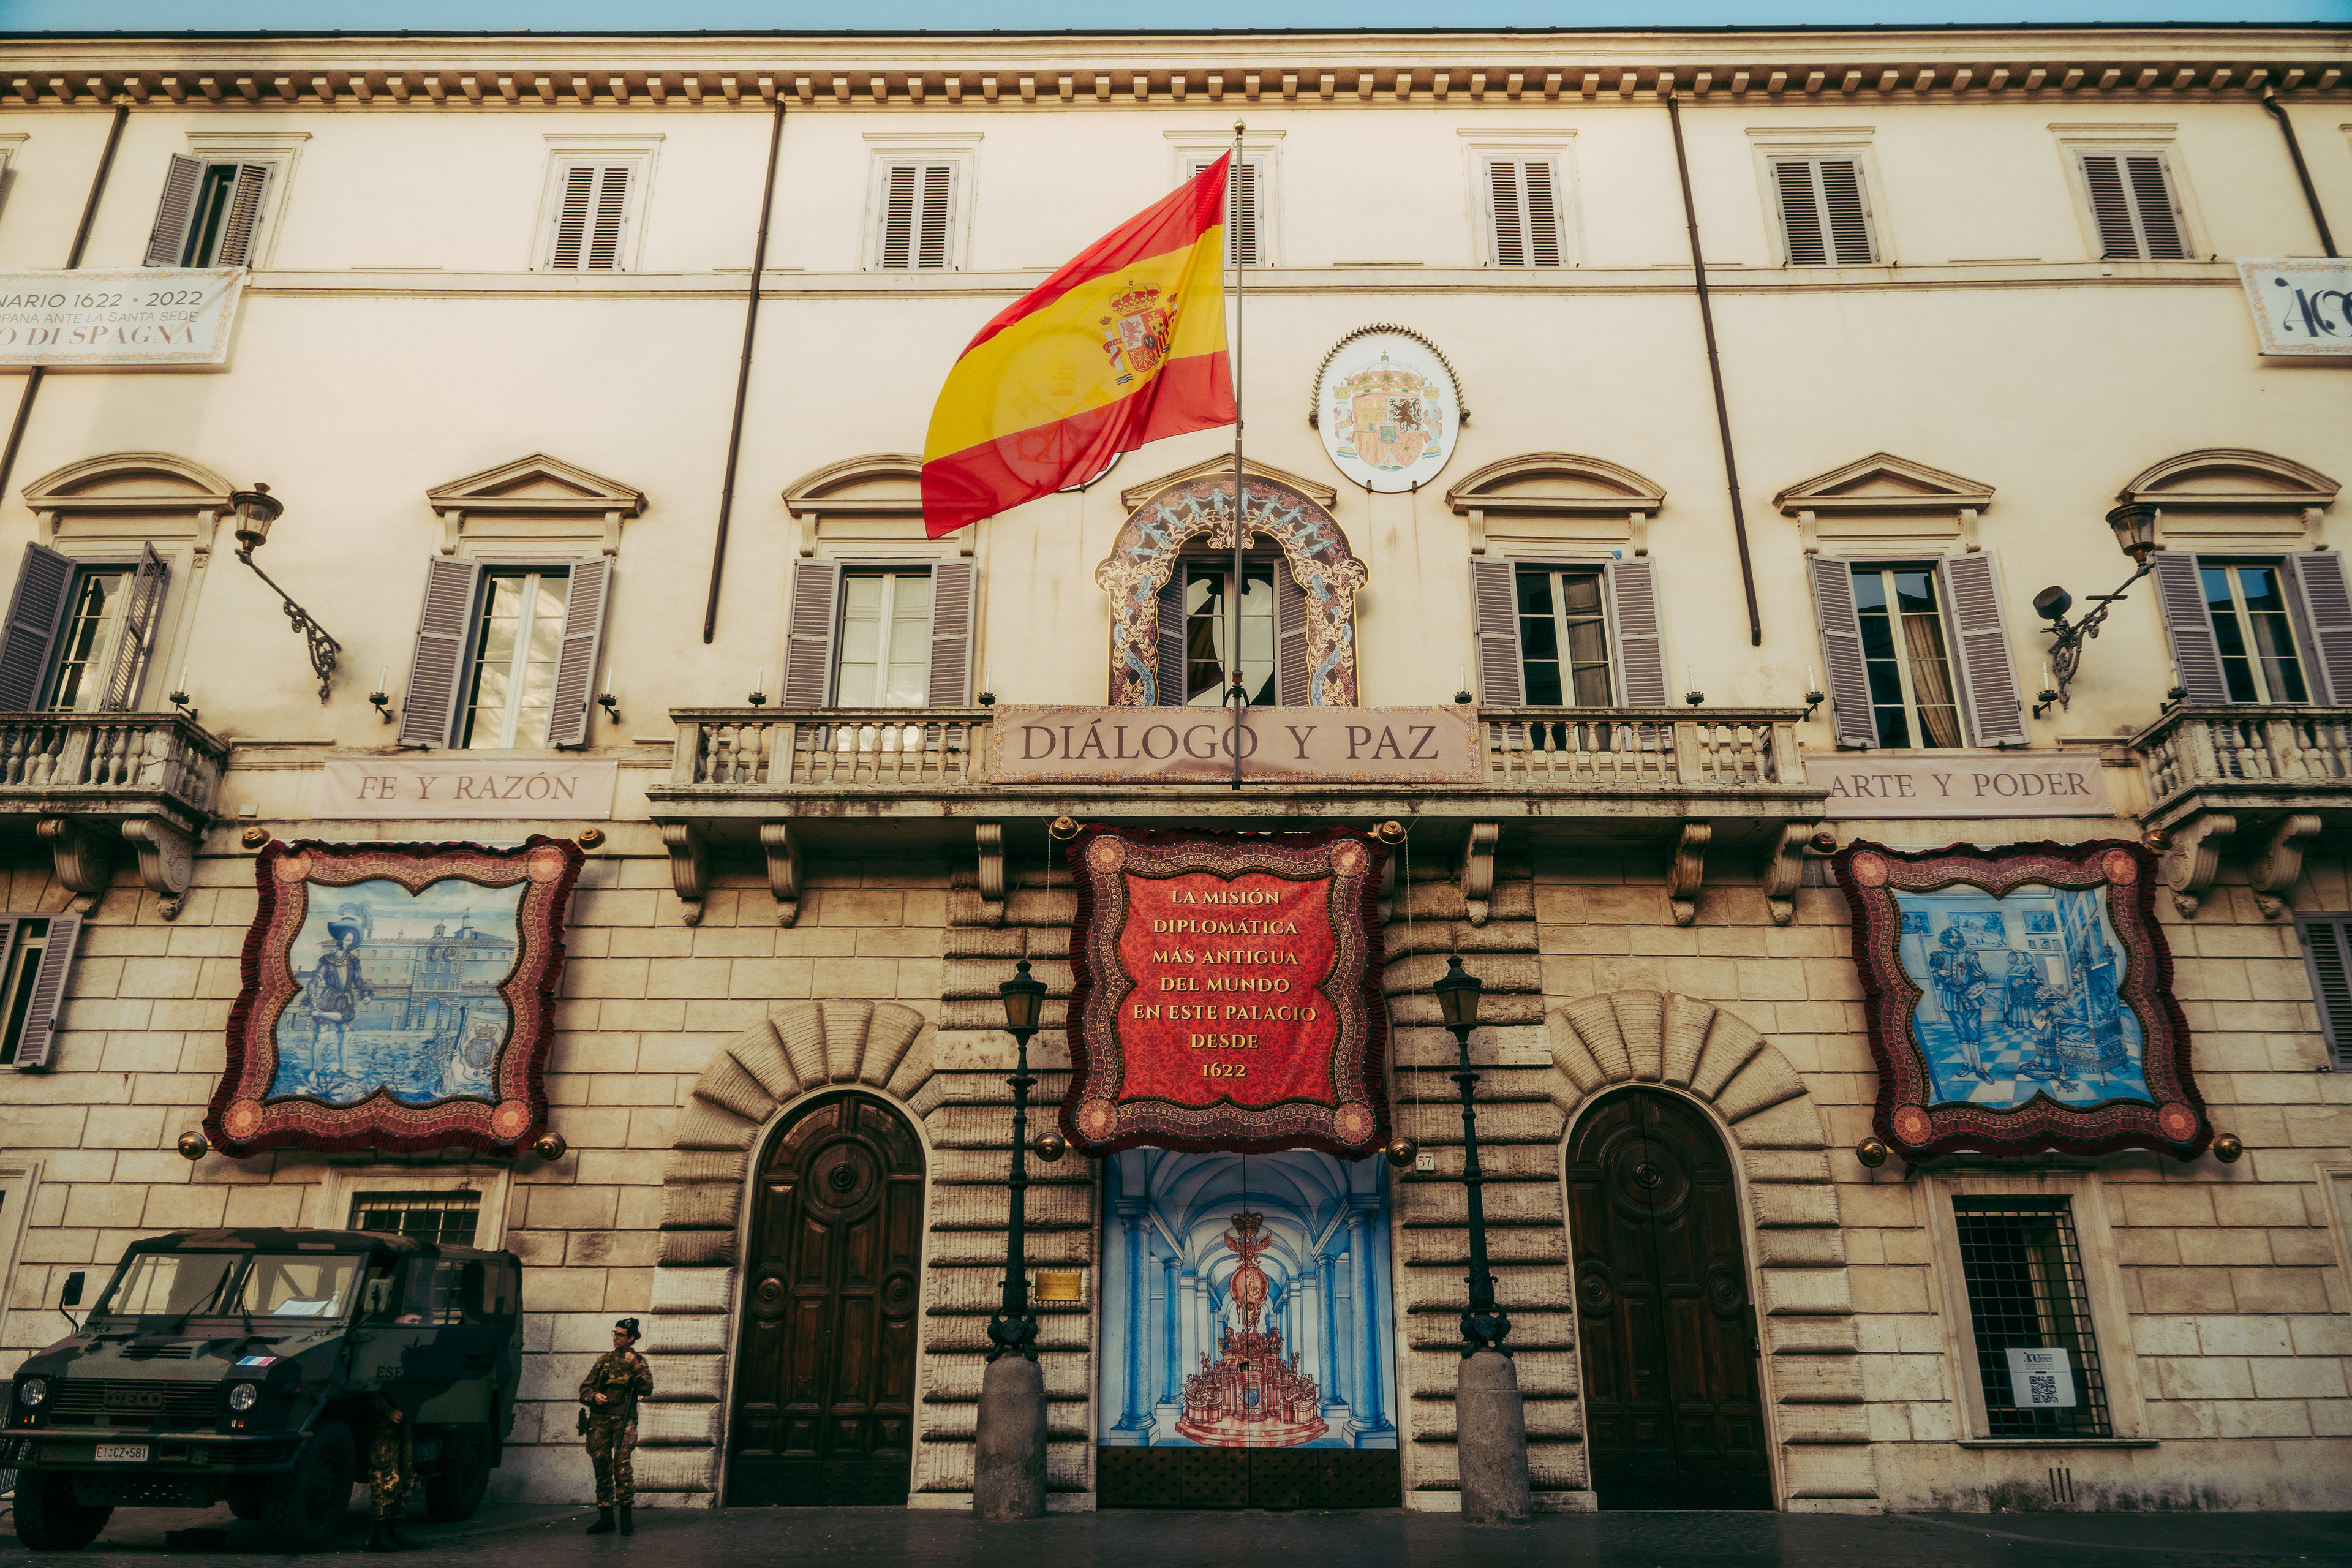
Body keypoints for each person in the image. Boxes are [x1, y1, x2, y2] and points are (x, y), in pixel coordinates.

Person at [579, 1317, 653, 1536]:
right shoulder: (604, 1361)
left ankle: (626, 1520)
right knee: (601, 1466)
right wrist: (594, 1396)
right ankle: (606, 1518)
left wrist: (637, 1367)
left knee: (622, 1468)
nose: (616, 1337)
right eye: (615, 1333)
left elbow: (647, 1389)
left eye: (621, 1335)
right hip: (600, 1422)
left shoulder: (638, 1361)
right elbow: (584, 1388)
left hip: (624, 1422)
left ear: (631, 1339)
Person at [1928, 925, 1992, 1082]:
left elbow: (1981, 976)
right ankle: (1969, 1064)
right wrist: (1939, 972)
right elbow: (1930, 973)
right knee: (1961, 1032)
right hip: (1950, 997)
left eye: (1957, 937)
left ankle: (1980, 1068)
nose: (1955, 940)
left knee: (1974, 1031)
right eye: (1951, 937)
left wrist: (1974, 989)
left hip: (1970, 997)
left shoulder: (1970, 955)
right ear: (1946, 939)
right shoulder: (1938, 956)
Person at [365, 1392, 416, 1553]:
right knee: (385, 1480)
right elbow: (368, 1389)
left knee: (406, 1479)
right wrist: (388, 1410)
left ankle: (395, 1530)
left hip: (403, 1425)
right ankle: (380, 1534)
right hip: (383, 1427)